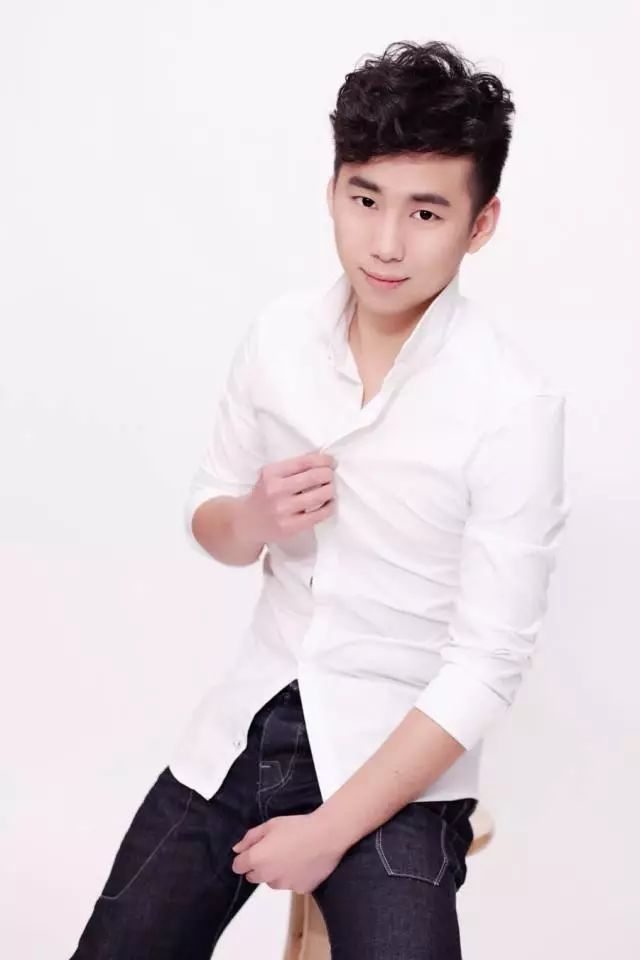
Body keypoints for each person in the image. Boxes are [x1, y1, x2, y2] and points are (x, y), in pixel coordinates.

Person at [69, 39, 571, 959]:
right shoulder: (278, 339)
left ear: (481, 223)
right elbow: (212, 514)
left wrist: (329, 831)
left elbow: (488, 664)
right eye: (364, 199)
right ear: (333, 188)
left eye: (426, 211)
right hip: (247, 720)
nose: (386, 243)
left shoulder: (511, 406)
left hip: (398, 759)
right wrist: (253, 520)